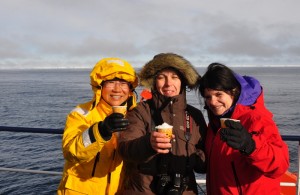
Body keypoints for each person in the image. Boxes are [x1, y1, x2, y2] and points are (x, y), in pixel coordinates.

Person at [118, 53, 207, 195]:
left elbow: (204, 163)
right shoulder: (140, 111)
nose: (168, 83)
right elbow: (125, 149)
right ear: (153, 82)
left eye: (174, 77)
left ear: (183, 81)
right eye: (161, 77)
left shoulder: (194, 115)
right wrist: (148, 143)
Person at [198, 63, 289, 194]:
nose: (212, 101)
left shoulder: (256, 119)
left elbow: (279, 165)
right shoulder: (214, 126)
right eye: (208, 97)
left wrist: (251, 146)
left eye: (219, 94)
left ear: (233, 92)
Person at [57, 58, 138, 195]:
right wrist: (101, 130)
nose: (117, 89)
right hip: (81, 190)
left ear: (130, 89)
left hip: (120, 190)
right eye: (111, 82)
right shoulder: (81, 114)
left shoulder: (137, 116)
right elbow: (71, 152)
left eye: (123, 83)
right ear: (99, 86)